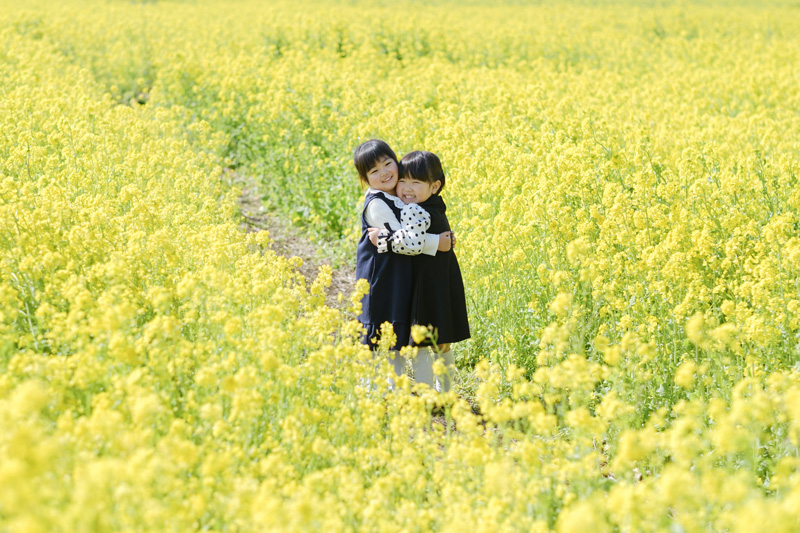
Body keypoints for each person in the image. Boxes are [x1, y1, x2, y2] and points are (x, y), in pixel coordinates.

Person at [353, 140, 453, 385]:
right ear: (365, 180)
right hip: (381, 279)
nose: (384, 173)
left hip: (398, 277)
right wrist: (437, 243)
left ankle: (398, 390)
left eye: (388, 164)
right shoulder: (377, 204)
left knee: (398, 334)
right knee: (384, 334)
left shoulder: (398, 195)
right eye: (374, 171)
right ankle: (375, 390)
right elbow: (407, 241)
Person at [372, 150, 470, 393]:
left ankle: (429, 392)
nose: (407, 188)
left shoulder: (414, 210)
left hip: (427, 283)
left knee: (422, 342)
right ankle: (444, 391)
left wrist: (382, 238)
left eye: (416, 182)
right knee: (440, 341)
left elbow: (410, 244)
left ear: (434, 186)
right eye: (403, 180)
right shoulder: (434, 204)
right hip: (440, 279)